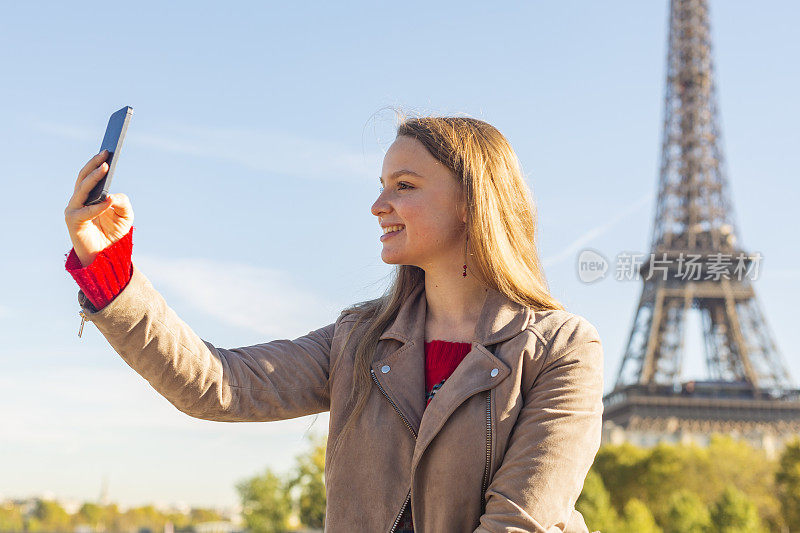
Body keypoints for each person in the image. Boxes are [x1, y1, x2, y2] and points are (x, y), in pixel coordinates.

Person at [64, 115, 604, 533]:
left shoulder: (563, 349)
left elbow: (518, 523)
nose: (377, 204)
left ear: (471, 202)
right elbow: (218, 385)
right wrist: (108, 269)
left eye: (405, 185)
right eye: (382, 184)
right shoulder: (357, 340)